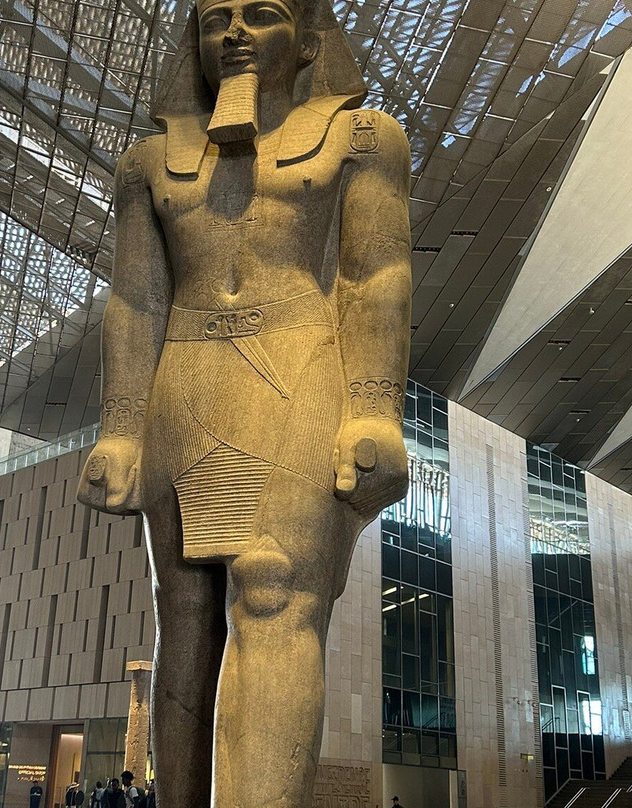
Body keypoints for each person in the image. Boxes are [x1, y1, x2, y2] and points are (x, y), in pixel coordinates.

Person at [75, 0, 410, 804]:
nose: (233, 34)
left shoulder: (362, 138)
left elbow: (374, 274)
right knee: (185, 614)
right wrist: (120, 428)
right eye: (215, 19)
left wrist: (374, 408)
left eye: (260, 15)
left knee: (273, 587)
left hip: (300, 363)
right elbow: (135, 300)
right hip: (184, 378)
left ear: (310, 41)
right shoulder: (147, 164)